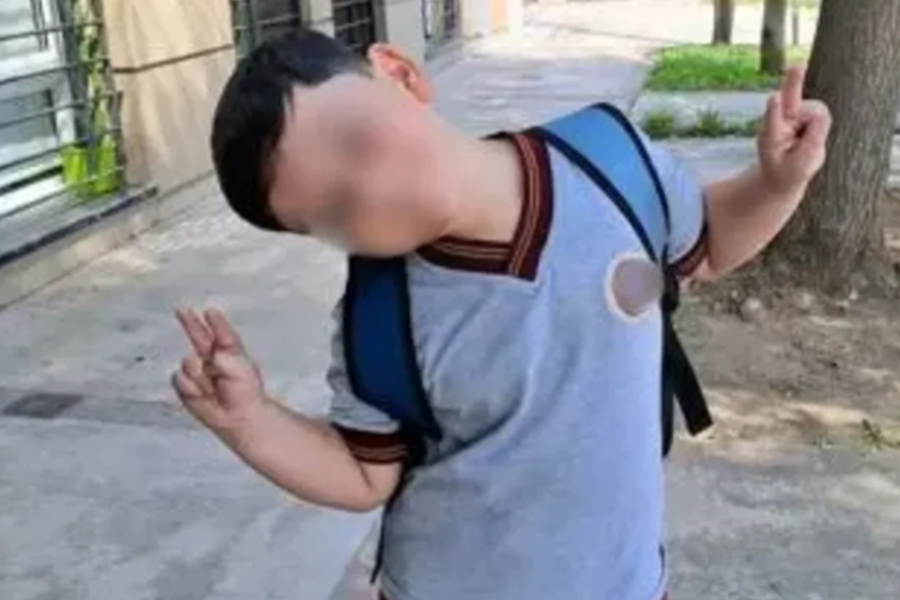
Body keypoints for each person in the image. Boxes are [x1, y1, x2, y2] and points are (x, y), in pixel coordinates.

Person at [171, 29, 831, 600]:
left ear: (400, 74)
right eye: (337, 211)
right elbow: (366, 473)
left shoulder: (612, 167)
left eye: (354, 141)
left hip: (622, 581)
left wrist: (776, 184)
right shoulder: (381, 317)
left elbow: (706, 245)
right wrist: (251, 421)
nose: (372, 192)